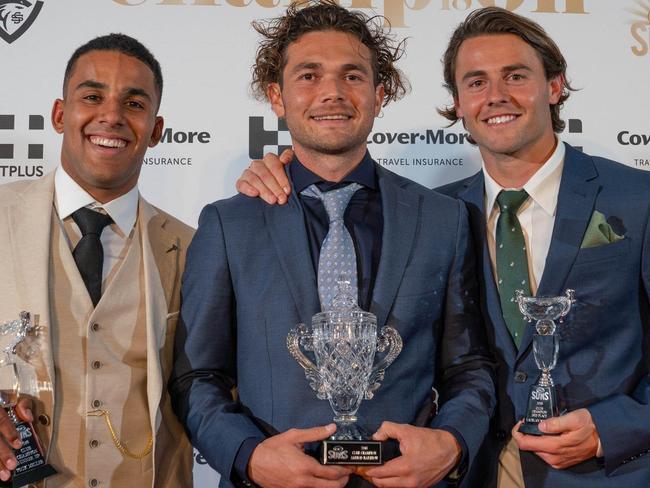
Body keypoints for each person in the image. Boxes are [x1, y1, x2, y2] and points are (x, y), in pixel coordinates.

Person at [235, 6, 650, 487]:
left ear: (554, 86)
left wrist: (617, 425)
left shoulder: (636, 199)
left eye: (515, 76)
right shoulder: (443, 214)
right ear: (456, 103)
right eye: (475, 82)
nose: (495, 96)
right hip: (474, 472)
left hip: (611, 472)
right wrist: (283, 171)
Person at [170, 2, 495, 487]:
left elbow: (468, 366)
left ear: (379, 94)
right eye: (309, 75)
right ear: (277, 97)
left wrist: (450, 443)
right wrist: (249, 456)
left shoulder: (441, 219)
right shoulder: (228, 224)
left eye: (352, 76)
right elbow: (197, 376)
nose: (332, 93)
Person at [0, 34, 194, 487]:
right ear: (60, 114)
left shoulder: (193, 247)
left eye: (134, 103)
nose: (112, 116)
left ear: (156, 129)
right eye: (92, 96)